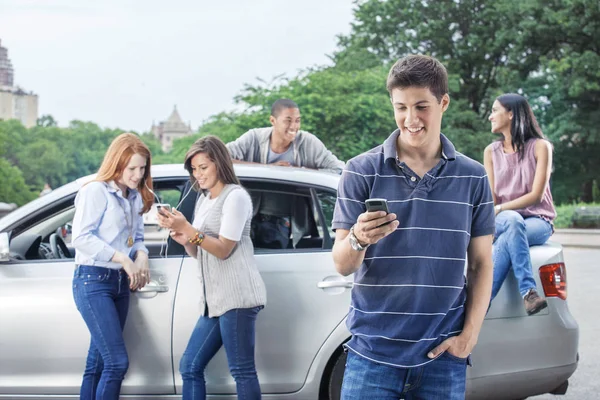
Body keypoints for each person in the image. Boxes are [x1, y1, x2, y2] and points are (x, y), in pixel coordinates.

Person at [331, 55, 495, 399]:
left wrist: (469, 337)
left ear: (443, 102)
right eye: (400, 107)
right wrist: (359, 239)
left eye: (421, 106)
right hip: (371, 355)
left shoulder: (473, 176)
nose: (410, 119)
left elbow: (481, 264)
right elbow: (342, 264)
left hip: (442, 358)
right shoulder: (360, 170)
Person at [157, 135, 266, 400]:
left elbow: (224, 249)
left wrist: (189, 230)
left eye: (203, 167)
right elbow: (200, 251)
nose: (198, 175)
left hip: (237, 298)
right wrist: (183, 237)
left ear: (219, 163)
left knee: (242, 370)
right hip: (214, 301)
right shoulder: (205, 199)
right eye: (194, 169)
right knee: (190, 366)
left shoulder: (236, 197)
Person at [71, 132, 153, 399]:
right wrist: (123, 258)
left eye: (142, 168)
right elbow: (81, 238)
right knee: (117, 363)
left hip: (120, 284)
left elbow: (138, 238)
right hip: (93, 280)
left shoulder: (135, 196)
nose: (137, 175)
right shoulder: (95, 190)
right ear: (117, 163)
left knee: (97, 365)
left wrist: (141, 257)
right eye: (132, 168)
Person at [226, 98, 345, 249]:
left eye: (297, 121)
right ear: (272, 120)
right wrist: (266, 168)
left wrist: (301, 172)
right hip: (245, 218)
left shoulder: (308, 143)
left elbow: (339, 169)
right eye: (288, 121)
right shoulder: (254, 138)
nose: (293, 126)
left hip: (281, 221)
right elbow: (221, 157)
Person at [484, 93, 555, 315]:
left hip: (538, 220)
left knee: (512, 229)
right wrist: (495, 211)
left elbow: (536, 195)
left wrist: (500, 208)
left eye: (495, 110)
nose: (490, 116)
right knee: (513, 221)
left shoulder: (541, 147)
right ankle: (529, 293)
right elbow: (492, 197)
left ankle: (480, 304)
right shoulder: (491, 152)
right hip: (504, 219)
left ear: (511, 113)